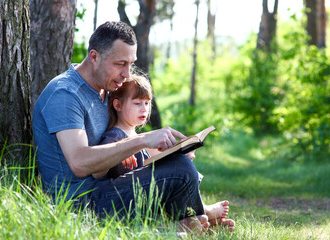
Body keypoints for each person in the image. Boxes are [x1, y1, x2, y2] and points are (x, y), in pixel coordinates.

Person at [32, 21, 234, 234]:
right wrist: (143, 139)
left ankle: (187, 223)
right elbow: (80, 162)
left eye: (131, 63)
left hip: (105, 188)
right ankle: (184, 225)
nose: (127, 74)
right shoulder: (65, 94)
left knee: (179, 162)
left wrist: (166, 149)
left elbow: (117, 145)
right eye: (120, 64)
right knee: (180, 172)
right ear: (94, 57)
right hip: (79, 204)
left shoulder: (106, 89)